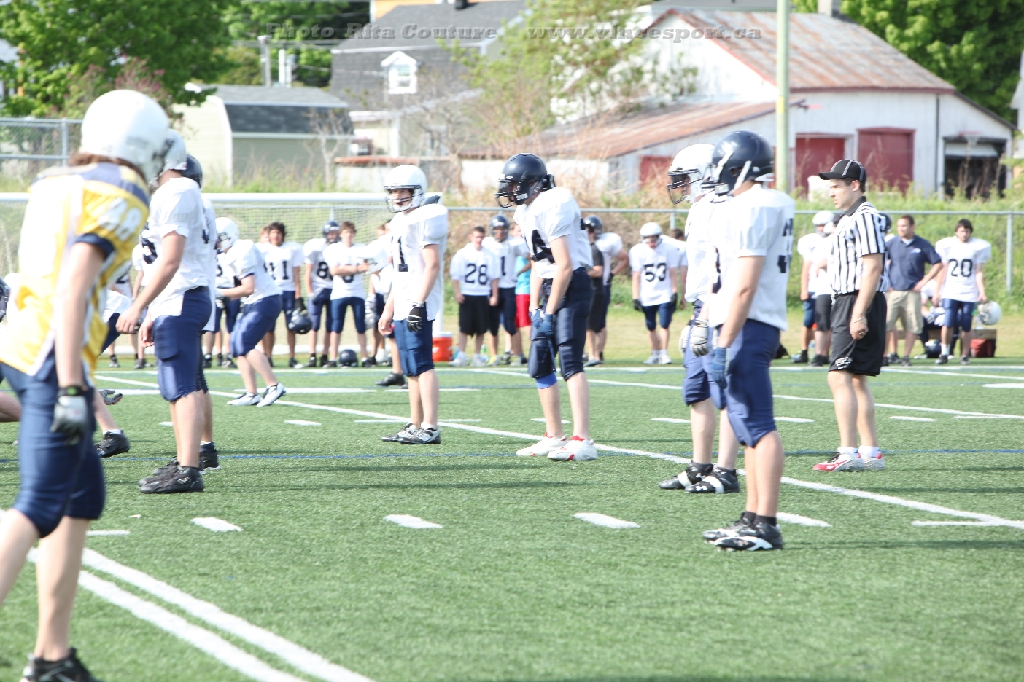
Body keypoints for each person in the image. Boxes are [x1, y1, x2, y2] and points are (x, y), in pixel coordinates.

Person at [0, 89, 167, 681]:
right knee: (41, 503)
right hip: (53, 356)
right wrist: (73, 385)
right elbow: (74, 283)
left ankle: (53, 654)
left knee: (80, 500)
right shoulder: (125, 191)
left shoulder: (55, 180)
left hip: (23, 345)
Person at [694, 130, 795, 551]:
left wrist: (724, 342)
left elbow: (745, 285)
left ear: (741, 168)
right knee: (744, 424)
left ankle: (766, 524)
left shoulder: (756, 206)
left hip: (748, 324)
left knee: (757, 424)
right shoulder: (754, 204)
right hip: (740, 322)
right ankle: (752, 517)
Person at [117, 131, 217, 494]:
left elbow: (171, 259)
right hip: (174, 300)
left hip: (182, 298)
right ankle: (184, 460)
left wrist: (138, 306)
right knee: (176, 385)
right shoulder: (172, 192)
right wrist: (153, 312)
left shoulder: (178, 190)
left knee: (182, 384)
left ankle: (189, 469)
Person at [498, 153, 597, 461]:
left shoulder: (555, 202)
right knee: (540, 361)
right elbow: (539, 263)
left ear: (533, 184)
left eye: (514, 185)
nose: (510, 191)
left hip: (572, 283)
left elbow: (564, 265)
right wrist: (535, 306)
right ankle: (553, 435)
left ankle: (583, 438)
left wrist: (550, 311)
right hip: (550, 286)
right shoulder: (526, 211)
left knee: (569, 359)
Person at [659, 142, 741, 495]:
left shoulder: (721, 207)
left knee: (723, 390)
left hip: (719, 307)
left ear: (707, 174)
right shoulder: (701, 208)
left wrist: (705, 319)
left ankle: (726, 470)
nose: (679, 185)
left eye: (685, 177)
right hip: (703, 307)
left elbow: (722, 270)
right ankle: (700, 466)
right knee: (696, 390)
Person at [812, 159, 889, 472]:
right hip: (849, 298)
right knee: (856, 378)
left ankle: (848, 451)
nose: (831, 192)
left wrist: (858, 313)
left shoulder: (865, 216)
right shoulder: (848, 218)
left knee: (838, 374)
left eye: (836, 185)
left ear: (854, 185)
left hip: (857, 300)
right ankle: (870, 451)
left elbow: (873, 265)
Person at [377, 165, 448, 445]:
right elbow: (400, 274)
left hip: (419, 300)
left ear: (417, 191)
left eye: (402, 190)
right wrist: (388, 309)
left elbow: (433, 265)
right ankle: (415, 424)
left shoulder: (426, 217)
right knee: (410, 367)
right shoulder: (399, 222)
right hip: (404, 300)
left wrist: (419, 302)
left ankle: (430, 427)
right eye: (393, 191)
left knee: (423, 363)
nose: (397, 196)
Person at [215, 217, 288, 407]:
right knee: (236, 344)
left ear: (228, 236)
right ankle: (251, 393)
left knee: (245, 343)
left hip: (265, 300)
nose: (216, 241)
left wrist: (218, 293)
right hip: (254, 301)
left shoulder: (241, 250)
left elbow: (248, 288)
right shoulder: (228, 254)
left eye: (219, 237)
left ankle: (274, 385)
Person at [885, 215, 943, 367]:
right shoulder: (892, 243)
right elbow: (880, 261)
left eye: (904, 226)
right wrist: (886, 281)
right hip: (893, 292)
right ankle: (885, 356)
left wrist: (924, 281)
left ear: (912, 227)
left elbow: (938, 263)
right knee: (886, 324)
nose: (901, 229)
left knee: (912, 326)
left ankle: (906, 357)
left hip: (912, 292)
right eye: (899, 226)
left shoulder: (921, 244)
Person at [933, 219, 990, 365]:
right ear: (956, 232)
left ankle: (964, 355)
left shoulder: (977, 247)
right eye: (962, 231)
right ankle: (944, 352)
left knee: (966, 324)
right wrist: (937, 291)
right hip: (951, 291)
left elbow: (978, 272)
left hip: (969, 292)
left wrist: (982, 291)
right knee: (948, 322)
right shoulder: (948, 246)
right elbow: (943, 270)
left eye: (967, 231)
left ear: (971, 232)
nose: (964, 234)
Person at [630, 222, 682, 365]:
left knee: (664, 324)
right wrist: (635, 296)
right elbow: (636, 275)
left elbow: (672, 272)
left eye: (654, 237)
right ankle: (655, 353)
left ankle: (664, 353)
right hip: (647, 294)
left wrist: (674, 291)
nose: (651, 241)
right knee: (651, 325)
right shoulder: (637, 251)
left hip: (664, 292)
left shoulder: (669, 249)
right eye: (648, 238)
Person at [323, 221, 372, 367]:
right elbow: (334, 271)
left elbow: (366, 267)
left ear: (354, 234)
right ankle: (333, 358)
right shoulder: (334, 249)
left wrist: (345, 268)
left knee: (361, 326)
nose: (348, 235)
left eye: (350, 232)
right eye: (345, 232)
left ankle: (365, 357)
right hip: (339, 293)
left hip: (357, 292)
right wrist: (356, 268)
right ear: (341, 234)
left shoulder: (361, 248)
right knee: (336, 326)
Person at [451, 226, 500, 367]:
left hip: (483, 294)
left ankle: (477, 356)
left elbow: (494, 277)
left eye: (481, 237)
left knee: (481, 328)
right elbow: (456, 276)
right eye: (477, 237)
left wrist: (494, 295)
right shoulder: (463, 254)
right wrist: (457, 292)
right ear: (471, 237)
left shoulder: (489, 255)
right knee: (464, 327)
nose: (479, 240)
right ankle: (461, 355)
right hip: (467, 293)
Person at [482, 214, 529, 365]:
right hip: (492, 288)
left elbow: (532, 259)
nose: (500, 232)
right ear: (492, 229)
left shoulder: (514, 243)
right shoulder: (487, 243)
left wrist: (519, 272)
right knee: (493, 325)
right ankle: (494, 355)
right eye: (497, 229)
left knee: (510, 324)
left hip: (509, 288)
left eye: (502, 228)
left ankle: (518, 354)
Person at [258, 222, 304, 368]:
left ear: (283, 234)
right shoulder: (262, 250)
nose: (276, 235)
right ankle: (268, 357)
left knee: (291, 326)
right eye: (273, 233)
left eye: (278, 232)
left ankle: (292, 357)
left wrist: (298, 295)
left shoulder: (291, 249)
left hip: (288, 291)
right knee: (268, 327)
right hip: (270, 292)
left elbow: (296, 275)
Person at [585, 217, 626, 367]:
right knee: (587, 323)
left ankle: (596, 354)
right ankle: (591, 354)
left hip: (599, 287)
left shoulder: (601, 245)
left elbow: (624, 258)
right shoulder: (583, 246)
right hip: (587, 287)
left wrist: (613, 273)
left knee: (597, 324)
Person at [793, 211, 831, 363]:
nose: (821, 228)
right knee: (809, 321)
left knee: (827, 323)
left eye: (823, 225)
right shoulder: (810, 240)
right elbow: (807, 265)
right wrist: (804, 288)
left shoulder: (836, 239)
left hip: (829, 287)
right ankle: (804, 351)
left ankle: (825, 353)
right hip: (814, 286)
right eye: (819, 225)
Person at [303, 220, 340, 368]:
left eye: (335, 233)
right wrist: (310, 291)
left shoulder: (341, 248)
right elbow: (308, 271)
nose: (333, 236)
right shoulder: (316, 247)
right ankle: (312, 355)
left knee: (330, 325)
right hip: (318, 289)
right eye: (330, 233)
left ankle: (325, 355)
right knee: (314, 324)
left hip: (335, 290)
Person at [809, 219, 836, 366]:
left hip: (841, 289)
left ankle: (827, 354)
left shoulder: (847, 243)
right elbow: (820, 263)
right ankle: (819, 354)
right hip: (825, 289)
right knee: (822, 324)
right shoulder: (823, 243)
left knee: (834, 324)